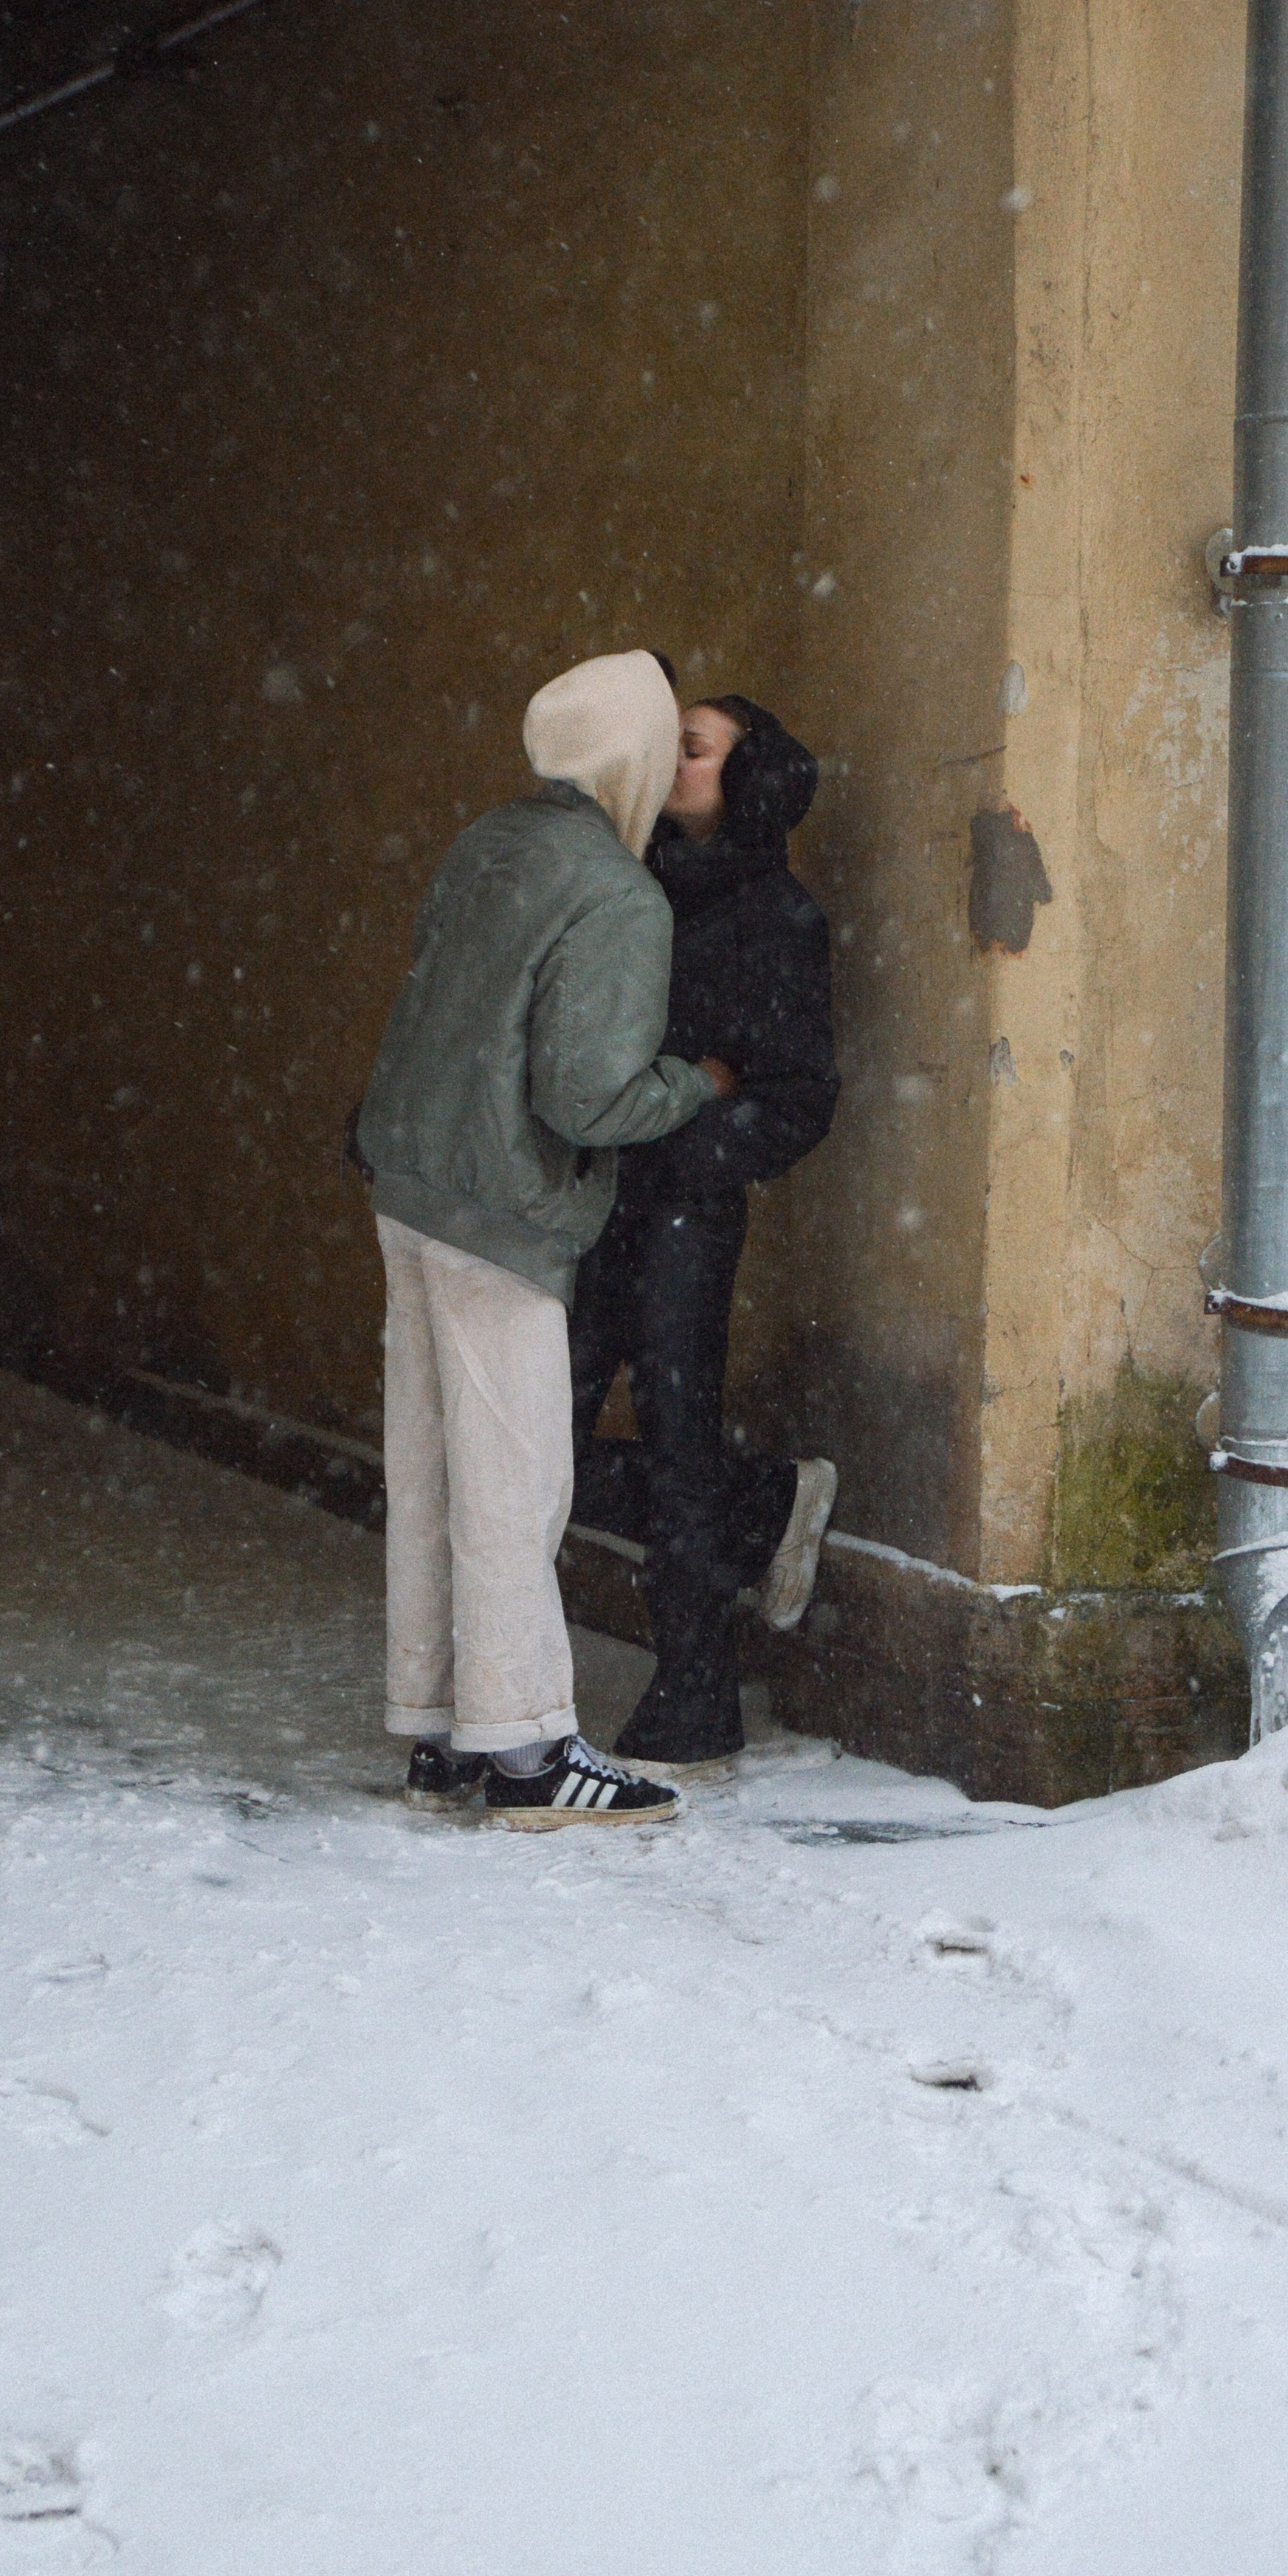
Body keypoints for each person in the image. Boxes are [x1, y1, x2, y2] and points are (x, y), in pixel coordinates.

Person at [351, 650, 737, 1830]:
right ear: (634, 757)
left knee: (430, 1468)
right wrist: (698, 1082)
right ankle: (526, 1751)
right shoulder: (619, 894)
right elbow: (588, 1099)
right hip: (500, 1208)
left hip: (410, 1179)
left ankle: (440, 1729)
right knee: (514, 1485)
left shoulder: (488, 843)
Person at [568, 691, 840, 1771]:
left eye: (692, 748)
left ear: (748, 776)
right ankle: (764, 1502)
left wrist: (693, 1143)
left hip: (683, 1208)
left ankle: (696, 1696)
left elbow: (800, 1097)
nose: (670, 761)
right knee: (544, 1436)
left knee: (678, 1438)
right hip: (593, 1195)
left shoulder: (780, 915)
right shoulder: (624, 884)